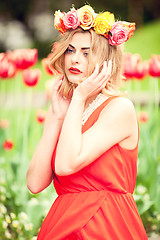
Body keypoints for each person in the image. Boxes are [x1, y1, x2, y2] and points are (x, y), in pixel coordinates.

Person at [26, 4, 148, 240]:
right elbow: (34, 183)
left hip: (106, 224)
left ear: (105, 59)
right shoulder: (65, 109)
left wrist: (79, 97)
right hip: (63, 222)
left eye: (86, 52)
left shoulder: (119, 108)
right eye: (70, 50)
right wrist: (56, 118)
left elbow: (66, 165)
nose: (75, 59)